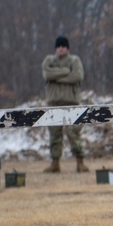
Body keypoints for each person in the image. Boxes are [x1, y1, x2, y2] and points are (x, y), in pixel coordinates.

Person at [41, 35, 89, 173]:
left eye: (63, 46)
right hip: (53, 102)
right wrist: (65, 72)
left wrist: (57, 78)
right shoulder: (49, 60)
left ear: (67, 48)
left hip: (71, 102)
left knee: (73, 132)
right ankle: (55, 163)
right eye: (58, 46)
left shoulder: (74, 60)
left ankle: (80, 162)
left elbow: (77, 76)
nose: (60, 49)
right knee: (54, 133)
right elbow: (47, 75)